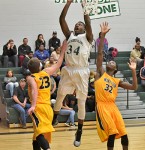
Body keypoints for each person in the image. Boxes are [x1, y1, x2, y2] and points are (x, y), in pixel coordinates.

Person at [53, 0, 93, 147]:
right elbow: (61, 19)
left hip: (82, 70)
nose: (78, 24)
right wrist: (69, 3)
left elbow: (88, 22)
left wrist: (84, 7)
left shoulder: (88, 38)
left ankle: (80, 131)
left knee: (81, 102)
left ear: (83, 28)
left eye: (80, 24)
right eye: (76, 24)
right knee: (60, 95)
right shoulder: (69, 35)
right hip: (69, 69)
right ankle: (55, 117)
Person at [94, 22, 138, 150]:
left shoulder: (116, 81)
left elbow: (134, 87)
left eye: (113, 62)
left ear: (115, 69)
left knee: (124, 134)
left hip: (113, 107)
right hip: (102, 106)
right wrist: (102, 35)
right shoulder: (101, 73)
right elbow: (100, 54)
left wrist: (134, 71)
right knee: (112, 133)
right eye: (110, 61)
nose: (111, 61)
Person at [26, 40, 67, 150]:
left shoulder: (30, 78)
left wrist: (33, 106)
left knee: (39, 133)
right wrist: (63, 50)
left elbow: (34, 90)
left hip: (38, 108)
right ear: (39, 66)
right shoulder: (46, 72)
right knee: (36, 134)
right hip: (48, 108)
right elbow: (59, 63)